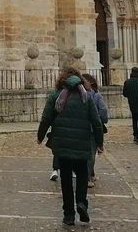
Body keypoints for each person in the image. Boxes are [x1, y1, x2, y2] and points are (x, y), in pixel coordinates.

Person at [38, 70, 104, 226]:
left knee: (66, 179)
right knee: (82, 175)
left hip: (62, 145)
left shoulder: (56, 96)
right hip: (82, 143)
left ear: (62, 80)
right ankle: (81, 202)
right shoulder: (86, 97)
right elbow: (96, 122)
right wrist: (100, 142)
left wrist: (40, 136)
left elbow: (46, 118)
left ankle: (68, 214)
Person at [81, 73, 110, 188]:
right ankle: (87, 177)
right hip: (92, 128)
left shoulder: (77, 94)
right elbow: (103, 111)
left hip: (81, 128)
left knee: (84, 153)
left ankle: (90, 174)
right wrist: (102, 120)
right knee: (90, 154)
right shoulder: (96, 95)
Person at [123, 67, 138, 143]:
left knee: (134, 120)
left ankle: (135, 135)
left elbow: (124, 94)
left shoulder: (127, 82)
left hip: (132, 103)